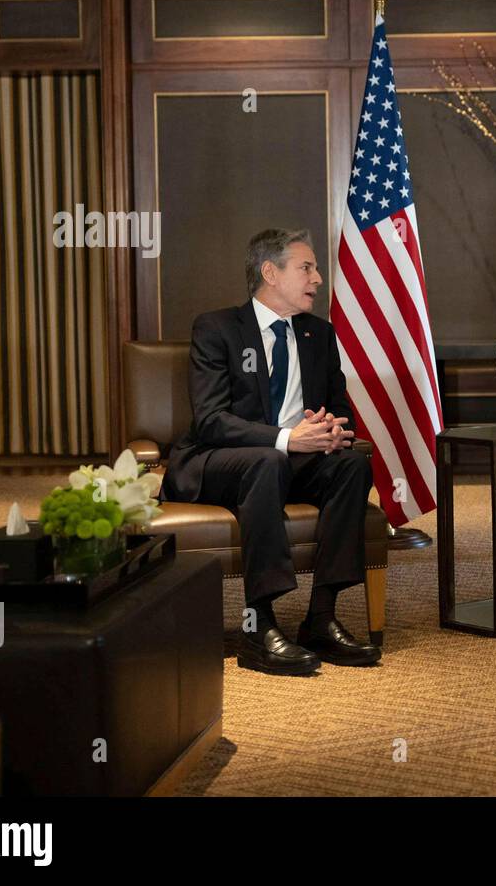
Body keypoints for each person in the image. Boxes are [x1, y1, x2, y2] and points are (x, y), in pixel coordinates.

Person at [162, 228, 380, 674]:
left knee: (352, 465)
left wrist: (334, 432)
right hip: (218, 460)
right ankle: (258, 626)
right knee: (268, 458)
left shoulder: (319, 334)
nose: (318, 278)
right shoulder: (217, 328)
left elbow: (340, 411)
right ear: (270, 273)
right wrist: (286, 439)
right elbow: (210, 420)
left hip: (290, 461)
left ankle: (321, 617)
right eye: (307, 268)